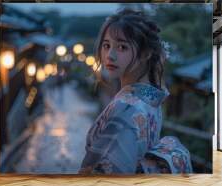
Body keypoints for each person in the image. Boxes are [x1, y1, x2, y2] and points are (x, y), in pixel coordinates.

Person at [79, 9, 193, 174]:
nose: (110, 55)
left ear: (145, 53)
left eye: (122, 47)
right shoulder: (152, 102)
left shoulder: (124, 107)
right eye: (106, 45)